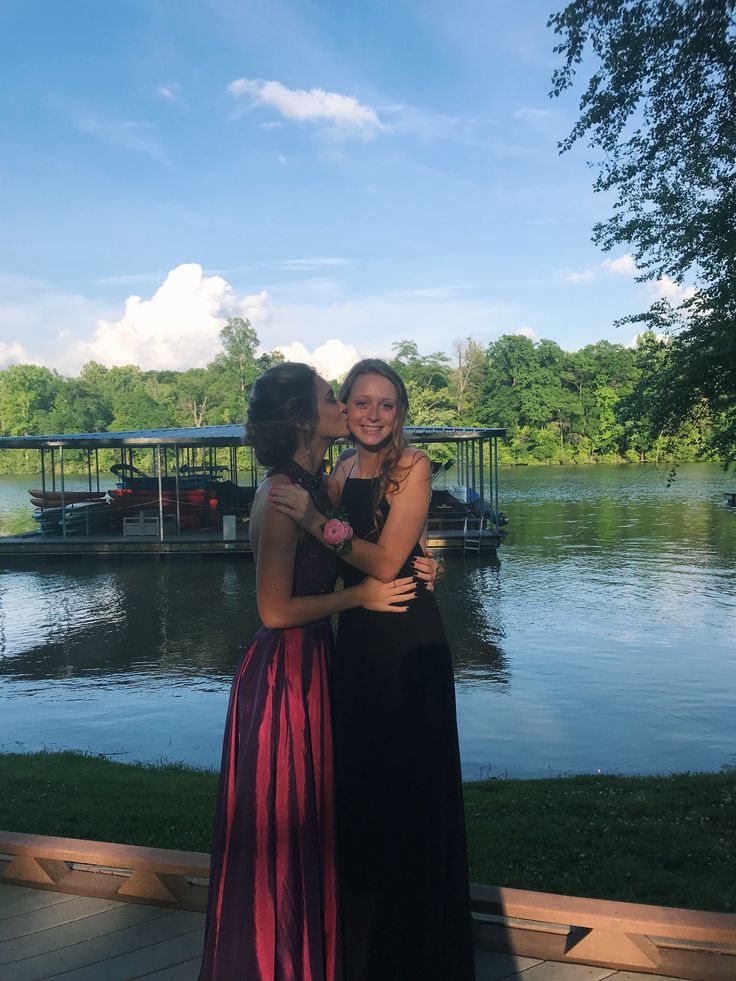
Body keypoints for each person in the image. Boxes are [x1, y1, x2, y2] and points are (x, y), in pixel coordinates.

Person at [198, 362, 419, 981]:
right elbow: (273, 610)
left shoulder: (317, 484)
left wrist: (419, 565)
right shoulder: (279, 496)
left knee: (314, 826)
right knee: (284, 830)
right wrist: (362, 598)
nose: (345, 405)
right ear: (303, 419)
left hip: (315, 665)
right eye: (332, 397)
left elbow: (353, 543)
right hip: (284, 677)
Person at [268, 359, 476, 981]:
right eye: (361, 402)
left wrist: (317, 522)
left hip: (407, 634)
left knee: (411, 781)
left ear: (401, 412)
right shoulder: (336, 473)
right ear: (347, 408)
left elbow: (384, 562)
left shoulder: (414, 468)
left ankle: (417, 946)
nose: (373, 414)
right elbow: (334, 562)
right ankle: (365, 944)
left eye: (386, 404)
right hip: (356, 635)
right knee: (363, 780)